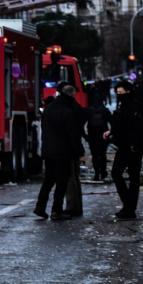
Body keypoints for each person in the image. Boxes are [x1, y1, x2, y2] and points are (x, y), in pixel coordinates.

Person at [34, 85, 84, 221]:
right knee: (62, 181)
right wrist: (80, 151)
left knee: (49, 180)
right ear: (72, 96)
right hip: (63, 151)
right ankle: (56, 210)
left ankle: (40, 206)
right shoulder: (67, 111)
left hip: (48, 150)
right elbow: (73, 134)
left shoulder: (49, 109)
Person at [104, 80, 143, 218]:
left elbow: (139, 127)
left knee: (133, 177)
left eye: (121, 93)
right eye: (118, 93)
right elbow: (120, 125)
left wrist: (136, 144)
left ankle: (129, 207)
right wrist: (111, 133)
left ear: (129, 91)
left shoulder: (134, 107)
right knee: (117, 173)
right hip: (123, 145)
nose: (119, 95)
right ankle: (128, 205)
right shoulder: (124, 107)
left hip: (132, 146)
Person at [56, 81, 87, 217]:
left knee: (70, 176)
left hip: (68, 147)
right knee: (74, 176)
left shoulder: (68, 109)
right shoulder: (76, 107)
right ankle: (76, 206)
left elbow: (72, 131)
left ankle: (72, 206)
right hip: (73, 145)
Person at [86, 92, 111, 181]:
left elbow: (82, 122)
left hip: (92, 135)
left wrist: (85, 136)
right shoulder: (105, 110)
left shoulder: (89, 110)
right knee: (103, 154)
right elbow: (112, 122)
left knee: (95, 155)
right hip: (103, 135)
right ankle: (103, 171)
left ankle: (97, 173)